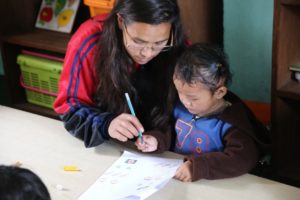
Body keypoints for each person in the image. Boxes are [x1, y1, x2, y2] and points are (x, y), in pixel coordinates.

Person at [54, 0, 186, 147]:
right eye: (138, 41)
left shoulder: (176, 41)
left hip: (157, 143)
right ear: (121, 21)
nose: (147, 53)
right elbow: (68, 105)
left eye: (159, 43)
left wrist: (159, 137)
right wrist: (106, 124)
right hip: (108, 143)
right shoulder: (89, 39)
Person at [135, 43, 270, 182]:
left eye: (193, 98)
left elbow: (242, 158)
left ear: (219, 92)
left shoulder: (230, 123)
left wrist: (198, 167)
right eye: (180, 93)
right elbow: (168, 131)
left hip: (213, 184)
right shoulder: (180, 107)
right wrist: (156, 140)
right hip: (176, 177)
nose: (185, 102)